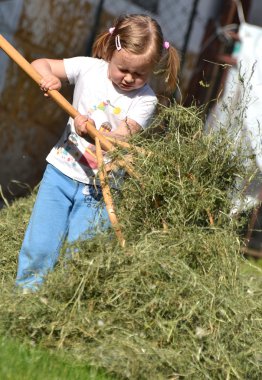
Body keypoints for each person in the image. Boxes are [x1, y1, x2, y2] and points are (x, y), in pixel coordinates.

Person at [15, 13, 180, 292]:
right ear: (111, 51)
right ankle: (26, 294)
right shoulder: (87, 68)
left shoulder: (146, 100)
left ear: (152, 69)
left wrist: (93, 133)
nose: (129, 78)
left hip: (102, 187)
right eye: (122, 69)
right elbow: (38, 64)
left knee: (80, 254)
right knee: (41, 241)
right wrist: (48, 80)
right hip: (61, 172)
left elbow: (123, 135)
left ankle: (66, 299)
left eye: (139, 74)